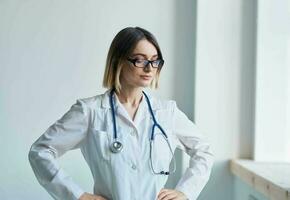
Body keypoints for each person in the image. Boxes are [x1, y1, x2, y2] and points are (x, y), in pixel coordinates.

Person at [29, 27, 214, 200]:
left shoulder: (167, 113)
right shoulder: (90, 112)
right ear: (118, 61)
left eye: (155, 60)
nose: (149, 68)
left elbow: (204, 151)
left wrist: (185, 192)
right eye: (140, 60)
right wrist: (77, 196)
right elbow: (40, 151)